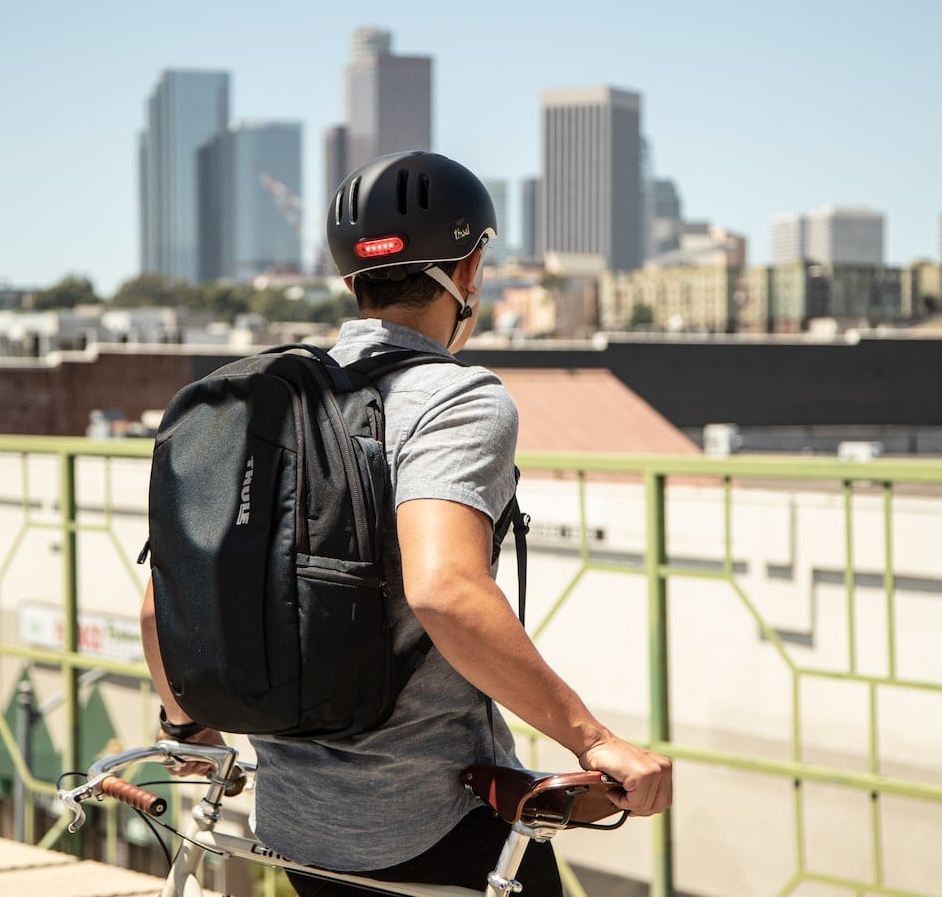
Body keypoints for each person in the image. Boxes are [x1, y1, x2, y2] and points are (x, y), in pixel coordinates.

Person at [139, 150, 672, 896]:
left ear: (351, 280)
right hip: (433, 827)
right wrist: (595, 740)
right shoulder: (456, 400)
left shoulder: (265, 401)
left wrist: (185, 726)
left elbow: (165, 601)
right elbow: (444, 590)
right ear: (470, 270)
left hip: (294, 831)